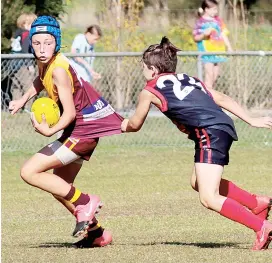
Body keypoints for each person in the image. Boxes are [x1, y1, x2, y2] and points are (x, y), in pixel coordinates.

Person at [121, 36, 272, 250]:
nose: (143, 72)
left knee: (209, 197)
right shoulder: (189, 79)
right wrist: (250, 119)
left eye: (144, 67)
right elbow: (221, 99)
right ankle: (256, 203)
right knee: (198, 182)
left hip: (208, 132)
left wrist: (119, 125)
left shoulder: (150, 90)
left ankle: (261, 227)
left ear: (153, 70)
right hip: (222, 126)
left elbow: (135, 124)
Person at [8, 15, 123, 247]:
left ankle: (87, 201)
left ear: (57, 42)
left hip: (80, 132)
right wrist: (22, 99)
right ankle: (98, 234)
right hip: (79, 132)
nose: (42, 49)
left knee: (29, 172)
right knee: (59, 187)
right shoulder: (46, 62)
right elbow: (40, 81)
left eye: (47, 43)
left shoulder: (59, 69)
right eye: (37, 43)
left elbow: (69, 114)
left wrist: (49, 130)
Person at [193, 0, 233, 89]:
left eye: (216, 9)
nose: (216, 11)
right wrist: (204, 35)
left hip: (218, 52)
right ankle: (207, 99)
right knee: (209, 76)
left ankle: (209, 94)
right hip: (206, 53)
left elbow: (223, 34)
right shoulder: (200, 22)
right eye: (214, 9)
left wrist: (229, 47)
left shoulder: (218, 20)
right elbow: (195, 38)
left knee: (215, 77)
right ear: (206, 9)